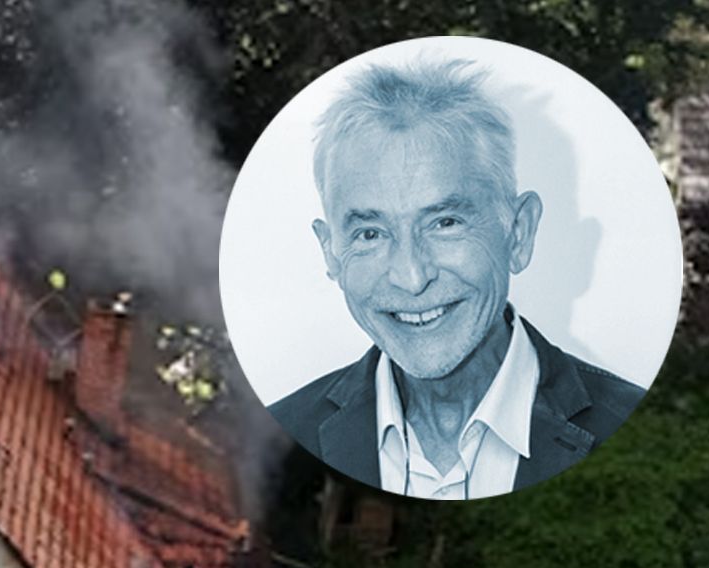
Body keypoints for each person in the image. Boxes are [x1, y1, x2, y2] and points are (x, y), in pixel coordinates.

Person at [266, 57, 644, 499]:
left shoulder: (639, 429)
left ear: (518, 233)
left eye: (444, 223)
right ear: (330, 252)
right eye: (370, 233)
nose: (411, 277)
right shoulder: (278, 438)